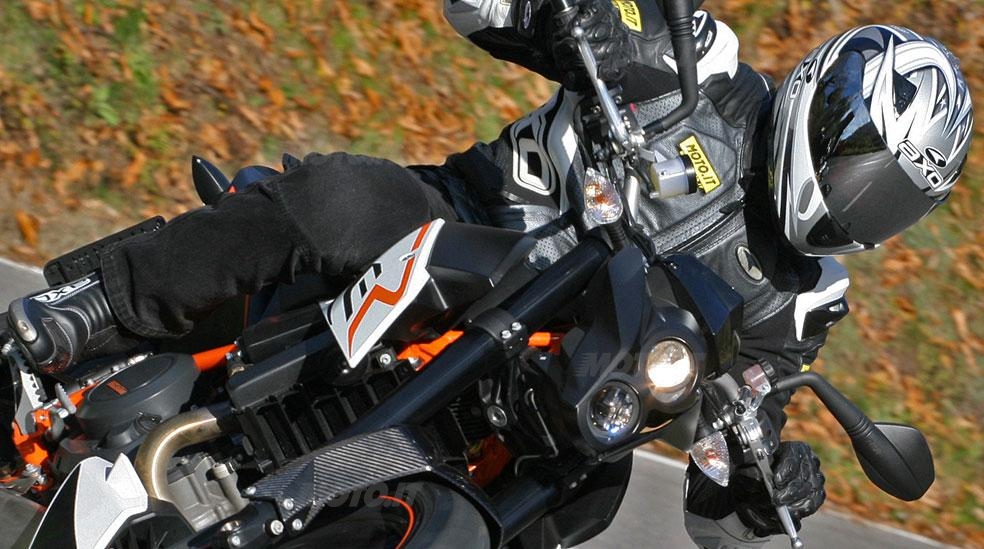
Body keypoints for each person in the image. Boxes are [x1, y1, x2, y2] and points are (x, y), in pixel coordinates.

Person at [3, 1, 973, 547]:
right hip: (469, 227)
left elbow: (724, 471)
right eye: (864, 163)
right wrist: (559, 10)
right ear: (828, 100)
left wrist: (763, 488)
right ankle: (78, 314)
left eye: (890, 197)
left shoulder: (805, 300)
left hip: (560, 390)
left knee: (586, 497)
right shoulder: (696, 63)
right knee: (346, 200)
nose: (860, 199)